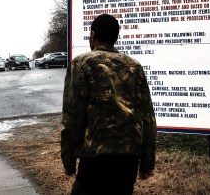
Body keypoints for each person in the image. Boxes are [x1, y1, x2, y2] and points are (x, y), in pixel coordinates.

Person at [61, 13, 157, 195]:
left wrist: (69, 161)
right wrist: (147, 162)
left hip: (96, 158)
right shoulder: (134, 66)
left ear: (93, 35)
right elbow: (147, 116)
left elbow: (73, 117)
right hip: (129, 158)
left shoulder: (81, 64)